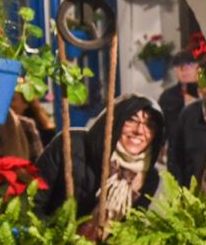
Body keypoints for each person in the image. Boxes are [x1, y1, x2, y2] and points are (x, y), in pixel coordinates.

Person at [33, 94, 163, 235]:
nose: (139, 131)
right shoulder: (71, 145)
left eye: (149, 125)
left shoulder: (148, 176)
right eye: (131, 120)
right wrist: (51, 239)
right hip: (52, 241)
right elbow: (33, 201)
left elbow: (130, 229)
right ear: (115, 120)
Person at [167, 71, 206, 188]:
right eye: (204, 84)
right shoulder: (189, 114)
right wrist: (180, 189)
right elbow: (175, 155)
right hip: (195, 190)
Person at [158, 48, 201, 144]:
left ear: (198, 68)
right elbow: (161, 129)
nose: (183, 69)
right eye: (178, 66)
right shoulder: (167, 97)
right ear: (174, 70)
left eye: (189, 64)